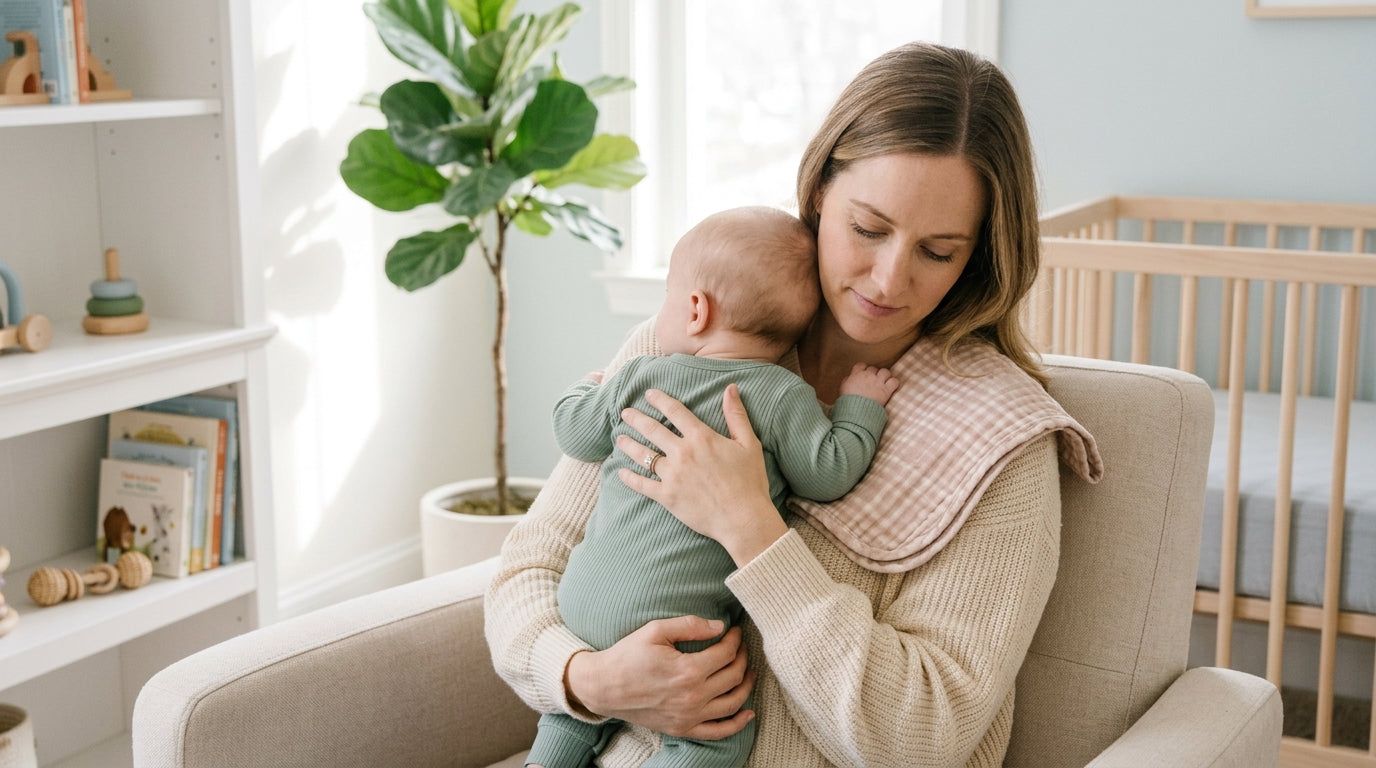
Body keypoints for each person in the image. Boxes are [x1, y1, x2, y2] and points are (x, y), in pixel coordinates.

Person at [486, 41, 1102, 768]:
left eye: (938, 251)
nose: (887, 279)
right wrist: (589, 681)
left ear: (978, 257)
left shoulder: (1001, 441)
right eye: (867, 229)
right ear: (817, 193)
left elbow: (922, 738)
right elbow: (530, 566)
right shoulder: (690, 338)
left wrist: (751, 527)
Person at [528, 206, 900, 768]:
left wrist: (583, 390)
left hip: (582, 602)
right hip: (678, 617)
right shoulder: (780, 395)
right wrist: (860, 410)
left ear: (695, 309)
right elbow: (829, 472)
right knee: (715, 732)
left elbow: (575, 433)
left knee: (569, 716)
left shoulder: (641, 373)